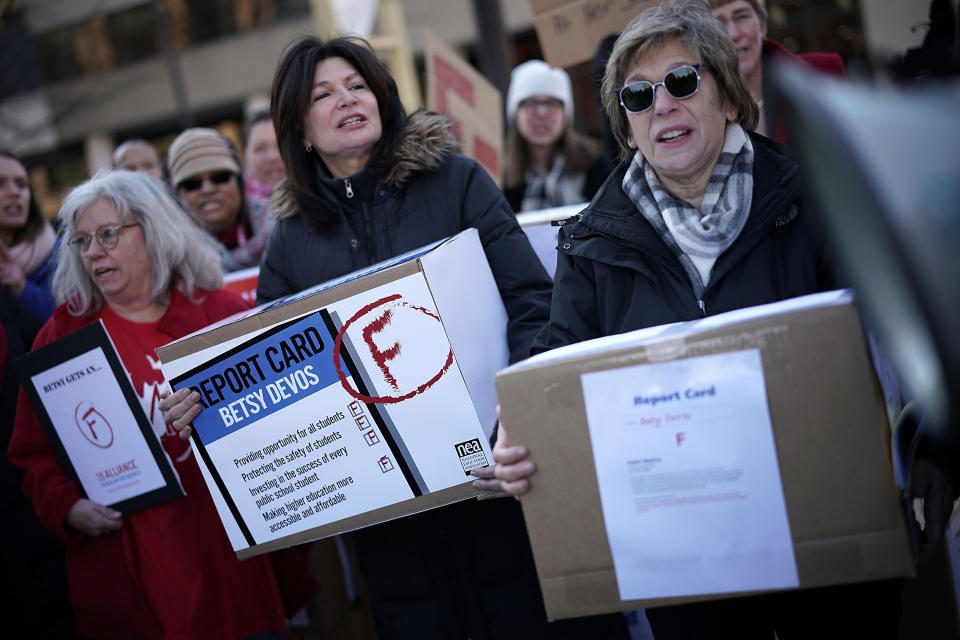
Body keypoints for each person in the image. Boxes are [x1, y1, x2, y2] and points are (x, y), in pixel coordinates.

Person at [161, 35, 629, 639]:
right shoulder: (290, 241)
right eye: (323, 94)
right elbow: (280, 383)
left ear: (382, 98)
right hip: (393, 531)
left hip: (500, 483)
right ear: (300, 130)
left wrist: (516, 416)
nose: (346, 99)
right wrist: (209, 404)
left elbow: (534, 304)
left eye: (357, 85)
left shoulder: (457, 181)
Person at [493, 1, 902, 638]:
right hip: (692, 576)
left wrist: (925, 441)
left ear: (730, 98)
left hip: (828, 557)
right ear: (627, 129)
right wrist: (513, 436)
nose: (662, 106)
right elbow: (552, 375)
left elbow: (897, 345)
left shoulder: (820, 199)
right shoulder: (589, 247)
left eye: (683, 82)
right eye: (638, 95)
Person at [7, 170, 292, 639]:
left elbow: (281, 422)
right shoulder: (61, 338)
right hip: (130, 567)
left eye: (108, 234)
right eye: (81, 241)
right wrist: (67, 506)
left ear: (154, 229)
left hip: (228, 566)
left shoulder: (220, 316)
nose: (93, 252)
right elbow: (32, 456)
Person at [708, 0, 845, 143]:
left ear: (763, 26)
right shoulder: (701, 109)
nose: (733, 34)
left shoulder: (822, 74)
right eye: (718, 23)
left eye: (742, 17)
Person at [503, 59, 612, 212]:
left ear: (565, 113)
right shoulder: (500, 176)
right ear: (515, 115)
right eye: (531, 104)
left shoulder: (595, 164)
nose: (542, 114)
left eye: (552, 103)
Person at [165, 127, 265, 271]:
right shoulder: (171, 261)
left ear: (239, 180)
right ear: (177, 195)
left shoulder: (280, 230)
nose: (208, 190)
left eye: (219, 177)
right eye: (192, 184)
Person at [0, 150, 58, 320]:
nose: (14, 192)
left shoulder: (62, 253)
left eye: (21, 184)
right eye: (0, 183)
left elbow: (75, 322)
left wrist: (23, 288)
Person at [243, 110, 285, 237]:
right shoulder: (234, 210)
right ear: (245, 154)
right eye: (260, 149)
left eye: (279, 146)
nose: (272, 157)